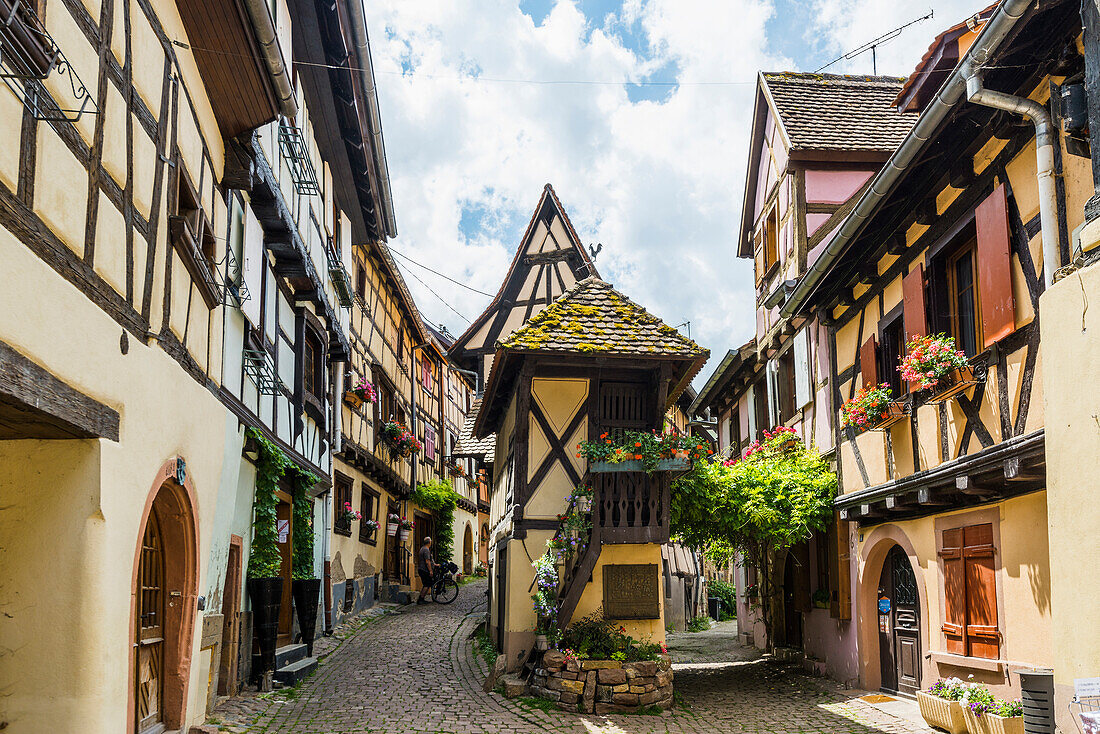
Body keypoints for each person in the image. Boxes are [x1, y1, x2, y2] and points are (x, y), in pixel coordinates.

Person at [416, 537, 437, 604]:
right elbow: (427, 561)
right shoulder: (426, 550)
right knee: (427, 584)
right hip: (424, 569)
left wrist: (435, 564)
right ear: (429, 542)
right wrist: (430, 570)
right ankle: (421, 599)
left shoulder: (423, 548)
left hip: (422, 569)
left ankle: (421, 598)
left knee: (427, 584)